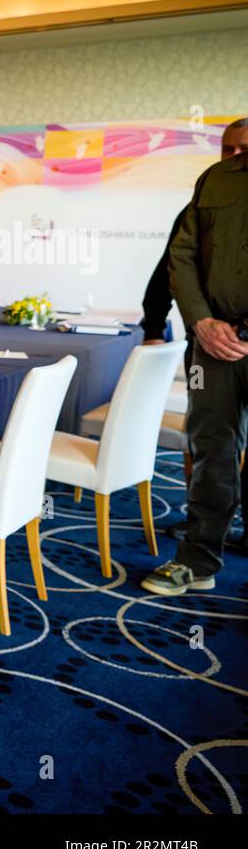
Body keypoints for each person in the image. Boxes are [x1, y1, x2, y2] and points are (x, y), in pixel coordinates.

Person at [142, 118, 248, 596]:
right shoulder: (214, 179)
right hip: (212, 347)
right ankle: (198, 559)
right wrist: (202, 321)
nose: (234, 153)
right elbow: (179, 257)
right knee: (210, 450)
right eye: (230, 146)